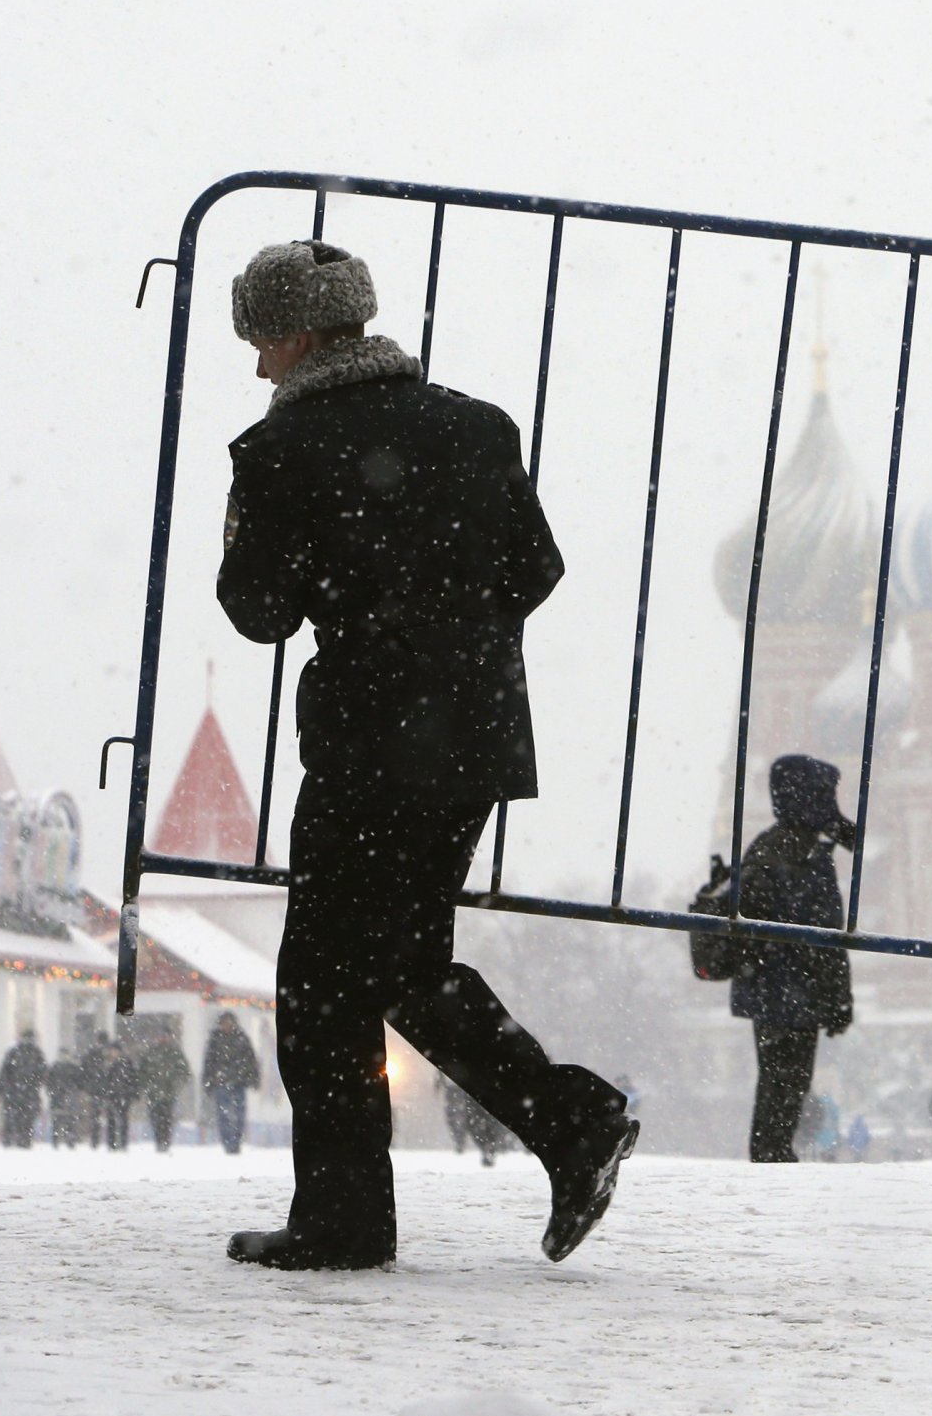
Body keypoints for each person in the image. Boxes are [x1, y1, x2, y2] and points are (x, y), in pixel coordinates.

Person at [216, 238, 636, 1270]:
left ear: (300, 334)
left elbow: (255, 610)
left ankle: (353, 1214)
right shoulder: (477, 427)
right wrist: (455, 637)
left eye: (261, 341)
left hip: (367, 742)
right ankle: (565, 1123)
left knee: (323, 982)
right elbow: (536, 567)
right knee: (397, 963)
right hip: (475, 738)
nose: (258, 367)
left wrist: (354, 606)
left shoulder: (279, 452)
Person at [708, 754, 855, 1164]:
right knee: (789, 1078)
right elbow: (823, 934)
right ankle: (773, 1152)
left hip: (769, 984)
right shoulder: (805, 852)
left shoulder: (769, 843)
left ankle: (771, 1149)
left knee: (778, 1075)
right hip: (794, 987)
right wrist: (837, 999)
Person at [201, 1014, 261, 1155]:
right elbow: (209, 1062)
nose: (226, 1026)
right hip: (221, 1083)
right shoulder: (215, 1040)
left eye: (228, 1023)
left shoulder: (241, 1039)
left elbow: (250, 1060)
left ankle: (236, 1142)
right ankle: (228, 1143)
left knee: (239, 1114)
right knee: (223, 1115)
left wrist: (253, 1079)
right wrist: (208, 1082)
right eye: (223, 1023)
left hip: (238, 1083)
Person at [0, 1029, 46, 1148]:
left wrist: (0, 1090)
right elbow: (43, 1073)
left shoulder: (13, 1052)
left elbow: (4, 1072)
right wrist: (36, 1084)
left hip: (13, 1091)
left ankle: (8, 1139)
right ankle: (25, 1139)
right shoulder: (37, 1053)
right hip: (30, 1093)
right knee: (28, 1117)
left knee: (11, 1116)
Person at [141, 1036, 191, 1153]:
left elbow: (184, 1073)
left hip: (169, 1095)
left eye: (165, 1036)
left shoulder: (175, 1054)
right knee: (155, 1119)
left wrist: (176, 1085)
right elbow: (142, 1073)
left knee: (167, 1119)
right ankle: (159, 1140)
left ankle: (165, 1141)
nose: (162, 1039)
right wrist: (148, 1086)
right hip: (153, 1095)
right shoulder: (150, 1054)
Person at [91, 1037, 139, 1151]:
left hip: (124, 1095)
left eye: (116, 1050)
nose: (114, 1053)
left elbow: (133, 1079)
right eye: (112, 1050)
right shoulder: (105, 1063)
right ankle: (111, 1144)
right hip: (110, 1096)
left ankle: (123, 1143)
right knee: (111, 1120)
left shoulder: (126, 1063)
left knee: (123, 1120)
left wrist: (133, 1093)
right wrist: (101, 1093)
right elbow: (102, 1080)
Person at [46, 1051, 86, 1148]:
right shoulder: (73, 1067)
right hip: (70, 1097)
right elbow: (80, 1082)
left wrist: (51, 1092)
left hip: (57, 1097)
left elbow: (48, 1082)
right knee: (70, 1120)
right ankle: (70, 1140)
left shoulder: (55, 1066)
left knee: (56, 1120)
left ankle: (55, 1141)